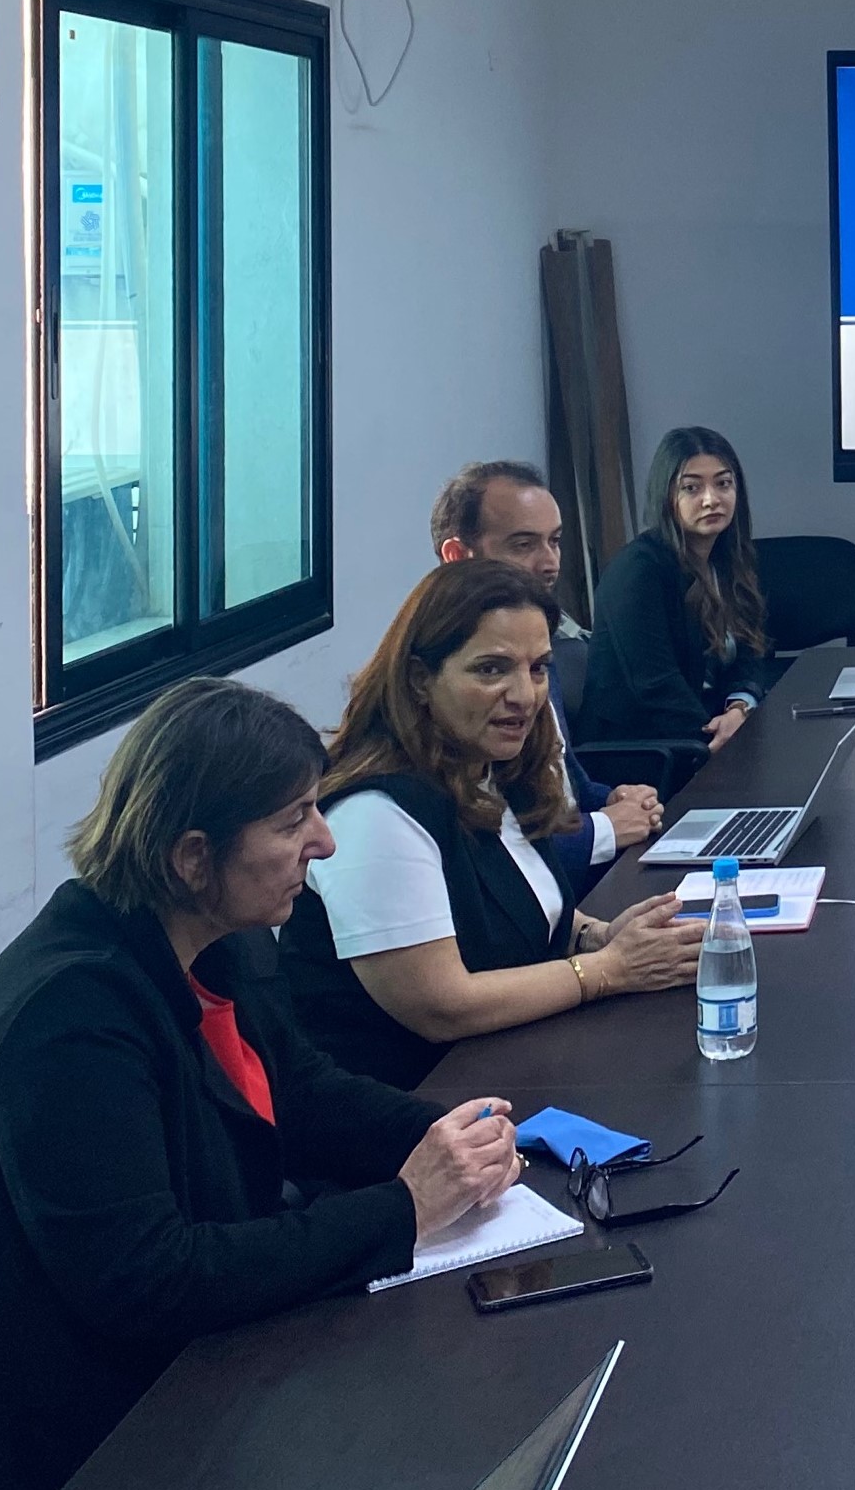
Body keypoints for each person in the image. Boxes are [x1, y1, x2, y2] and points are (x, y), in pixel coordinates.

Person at [0, 679, 526, 1490]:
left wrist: (464, 1141)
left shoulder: (214, 940)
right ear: (193, 857)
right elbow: (151, 1282)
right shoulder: (67, 1021)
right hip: (67, 1431)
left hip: (184, 1367)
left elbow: (305, 1096)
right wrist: (405, 1207)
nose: (325, 843)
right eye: (293, 821)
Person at [281, 561, 706, 1088]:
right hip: (418, 1116)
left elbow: (519, 913)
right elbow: (441, 1007)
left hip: (514, 1070)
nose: (525, 695)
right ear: (419, 679)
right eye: (491, 669)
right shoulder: (374, 814)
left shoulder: (495, 772)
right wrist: (610, 971)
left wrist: (600, 937)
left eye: (538, 668)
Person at [430, 460, 664, 888]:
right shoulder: (444, 682)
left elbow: (563, 780)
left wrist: (612, 798)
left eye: (554, 542)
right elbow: (492, 858)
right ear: (457, 556)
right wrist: (607, 829)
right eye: (523, 545)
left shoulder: (535, 649)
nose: (550, 563)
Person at [579, 426, 771, 751]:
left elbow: (750, 651)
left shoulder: (729, 561)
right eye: (691, 488)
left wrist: (739, 709)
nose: (711, 499)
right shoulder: (638, 570)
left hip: (703, 734)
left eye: (723, 483)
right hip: (643, 754)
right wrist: (716, 738)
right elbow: (655, 687)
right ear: (666, 496)